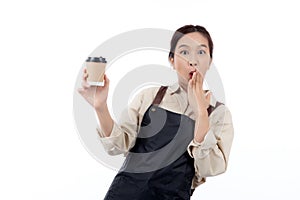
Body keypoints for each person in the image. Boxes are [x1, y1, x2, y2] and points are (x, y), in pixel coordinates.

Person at [78, 25, 234, 199]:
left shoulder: (219, 113)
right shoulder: (150, 96)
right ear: (172, 60)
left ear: (210, 61)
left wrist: (201, 114)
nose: (193, 60)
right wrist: (100, 107)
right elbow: (119, 146)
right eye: (184, 52)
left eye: (201, 52)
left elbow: (210, 167)